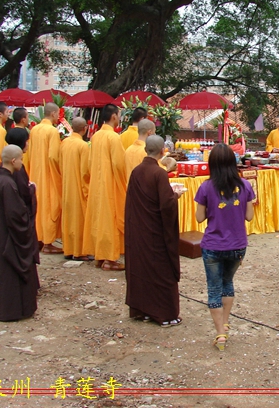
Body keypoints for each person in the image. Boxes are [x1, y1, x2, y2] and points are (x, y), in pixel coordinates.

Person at [195, 143, 255, 351]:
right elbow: (249, 216)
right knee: (227, 282)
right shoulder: (246, 186)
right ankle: (226, 321)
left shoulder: (205, 187)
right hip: (238, 245)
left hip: (213, 245)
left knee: (214, 288)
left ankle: (220, 333)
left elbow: (199, 218)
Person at [125, 135, 184, 326]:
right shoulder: (158, 173)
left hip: (140, 229)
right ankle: (165, 314)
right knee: (161, 270)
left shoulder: (136, 171)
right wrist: (175, 196)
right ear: (162, 152)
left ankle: (144, 311)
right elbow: (166, 206)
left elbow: (132, 202)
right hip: (156, 232)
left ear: (145, 150)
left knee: (142, 268)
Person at [0, 145, 39, 322]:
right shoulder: (7, 184)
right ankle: (9, 310)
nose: (22, 161)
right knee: (8, 274)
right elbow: (16, 215)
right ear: (13, 161)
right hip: (6, 238)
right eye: (21, 159)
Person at [85, 104, 128, 271]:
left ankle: (99, 255)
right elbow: (119, 164)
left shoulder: (96, 136)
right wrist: (124, 181)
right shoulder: (114, 137)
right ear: (114, 117)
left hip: (97, 183)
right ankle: (110, 259)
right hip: (110, 184)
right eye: (119, 115)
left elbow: (90, 162)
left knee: (99, 218)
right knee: (110, 219)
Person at [27, 102, 63, 254]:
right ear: (54, 114)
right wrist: (60, 172)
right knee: (49, 206)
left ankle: (39, 238)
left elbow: (29, 152)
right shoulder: (52, 131)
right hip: (49, 174)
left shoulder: (34, 129)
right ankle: (48, 242)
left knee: (38, 205)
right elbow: (54, 157)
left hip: (36, 171)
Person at [59, 118, 92, 260]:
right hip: (79, 187)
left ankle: (68, 249)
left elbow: (59, 163)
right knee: (79, 219)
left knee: (68, 218)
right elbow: (85, 171)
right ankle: (79, 251)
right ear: (84, 128)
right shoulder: (83, 146)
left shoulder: (64, 143)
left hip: (67, 185)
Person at [5, 128, 38, 256]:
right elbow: (23, 192)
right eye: (27, 141)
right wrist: (31, 188)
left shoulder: (9, 164)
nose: (28, 144)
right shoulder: (16, 167)